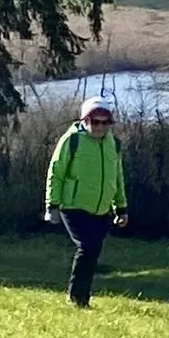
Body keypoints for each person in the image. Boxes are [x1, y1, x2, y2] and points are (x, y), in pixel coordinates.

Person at [44, 97, 128, 309]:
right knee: (87, 247)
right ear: (85, 120)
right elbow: (56, 172)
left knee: (94, 251)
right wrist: (51, 205)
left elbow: (117, 177)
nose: (99, 127)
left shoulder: (114, 144)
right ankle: (76, 297)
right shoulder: (71, 140)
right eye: (95, 121)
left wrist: (121, 207)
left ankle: (84, 298)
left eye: (105, 122)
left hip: (101, 208)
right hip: (73, 205)